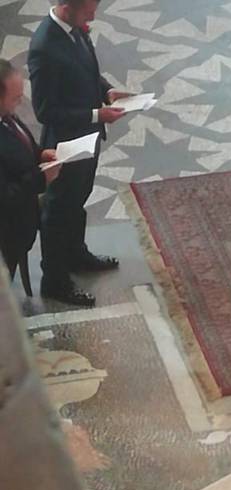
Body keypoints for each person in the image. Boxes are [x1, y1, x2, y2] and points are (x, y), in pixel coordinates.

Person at [28, 0, 129, 307]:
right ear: (67, 6)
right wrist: (98, 115)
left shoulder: (75, 30)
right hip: (66, 142)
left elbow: (84, 71)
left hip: (87, 137)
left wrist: (106, 90)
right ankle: (55, 280)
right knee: (59, 210)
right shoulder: (44, 47)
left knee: (78, 198)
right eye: (89, 9)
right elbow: (46, 111)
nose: (93, 15)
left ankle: (76, 253)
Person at [0, 60, 60, 282]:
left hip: (21, 223)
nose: (21, 102)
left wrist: (40, 154)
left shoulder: (6, 115)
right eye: (15, 98)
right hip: (7, 233)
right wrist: (41, 179)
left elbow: (20, 143)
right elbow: (5, 195)